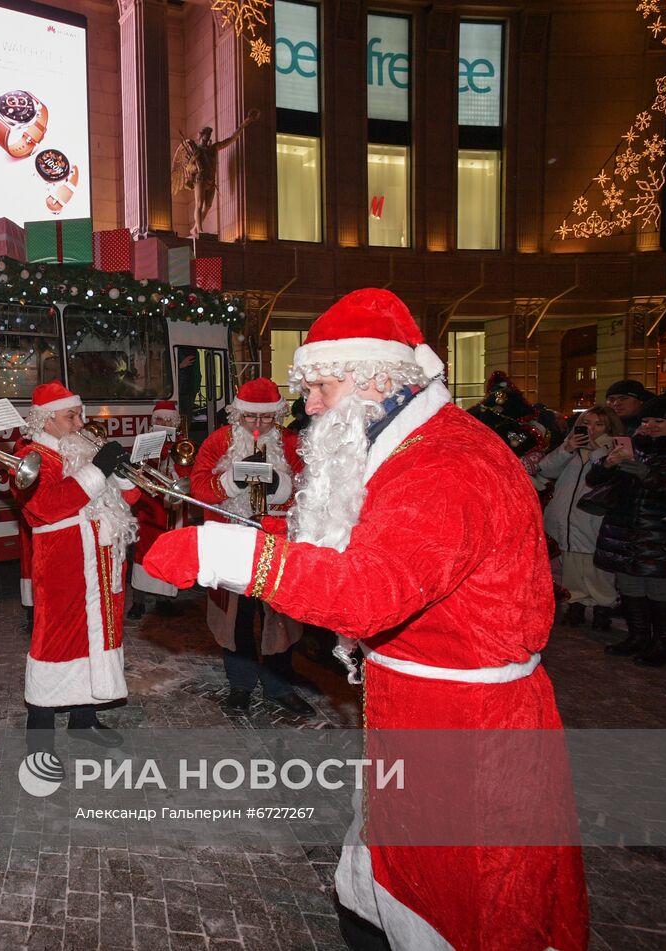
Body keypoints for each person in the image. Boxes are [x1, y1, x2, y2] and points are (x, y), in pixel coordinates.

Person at [141, 289, 588, 951]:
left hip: (467, 735)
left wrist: (222, 550)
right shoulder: (408, 444)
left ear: (375, 376)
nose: (309, 405)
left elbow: (372, 590)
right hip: (422, 710)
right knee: (388, 879)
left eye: (319, 386)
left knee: (465, 904)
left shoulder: (444, 464)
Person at [14, 381, 141, 754]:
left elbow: (132, 497)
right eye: (71, 416)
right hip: (62, 565)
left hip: (99, 563)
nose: (79, 423)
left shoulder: (84, 449)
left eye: (79, 414)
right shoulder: (30, 458)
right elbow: (45, 507)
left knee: (96, 637)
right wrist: (98, 470)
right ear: (46, 420)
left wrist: (121, 472)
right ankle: (39, 738)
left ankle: (84, 720)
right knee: (54, 645)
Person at [190, 377, 313, 717]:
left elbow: (310, 485)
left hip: (277, 540)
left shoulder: (290, 442)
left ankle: (279, 685)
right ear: (238, 414)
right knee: (236, 617)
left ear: (278, 416)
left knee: (279, 616)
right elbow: (199, 486)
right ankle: (240, 684)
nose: (257, 425)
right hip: (233, 538)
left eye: (266, 419)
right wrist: (231, 481)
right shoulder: (220, 441)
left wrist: (281, 485)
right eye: (250, 418)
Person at [585, 384, 666, 665]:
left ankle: (663, 644)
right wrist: (607, 465)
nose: (650, 426)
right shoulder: (634, 447)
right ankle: (637, 636)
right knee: (630, 585)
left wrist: (647, 475)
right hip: (625, 526)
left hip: (661, 532)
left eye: (659, 421)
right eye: (647, 420)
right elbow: (596, 480)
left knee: (659, 591)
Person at [541, 406, 624, 629]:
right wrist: (566, 449)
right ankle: (575, 605)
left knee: (597, 571)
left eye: (599, 424)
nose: (591, 429)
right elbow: (545, 469)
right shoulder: (571, 445)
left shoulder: (614, 448)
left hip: (592, 519)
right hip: (565, 519)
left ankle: (603, 609)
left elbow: (608, 477)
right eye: (587, 423)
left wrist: (595, 450)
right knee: (571, 568)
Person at [127, 400, 194, 620]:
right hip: (149, 504)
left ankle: (164, 599)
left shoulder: (183, 444)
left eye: (168, 420)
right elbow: (136, 472)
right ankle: (138, 600)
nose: (164, 423)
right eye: (160, 420)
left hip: (173, 505)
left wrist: (175, 459)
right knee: (143, 549)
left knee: (170, 549)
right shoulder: (145, 442)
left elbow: (188, 474)